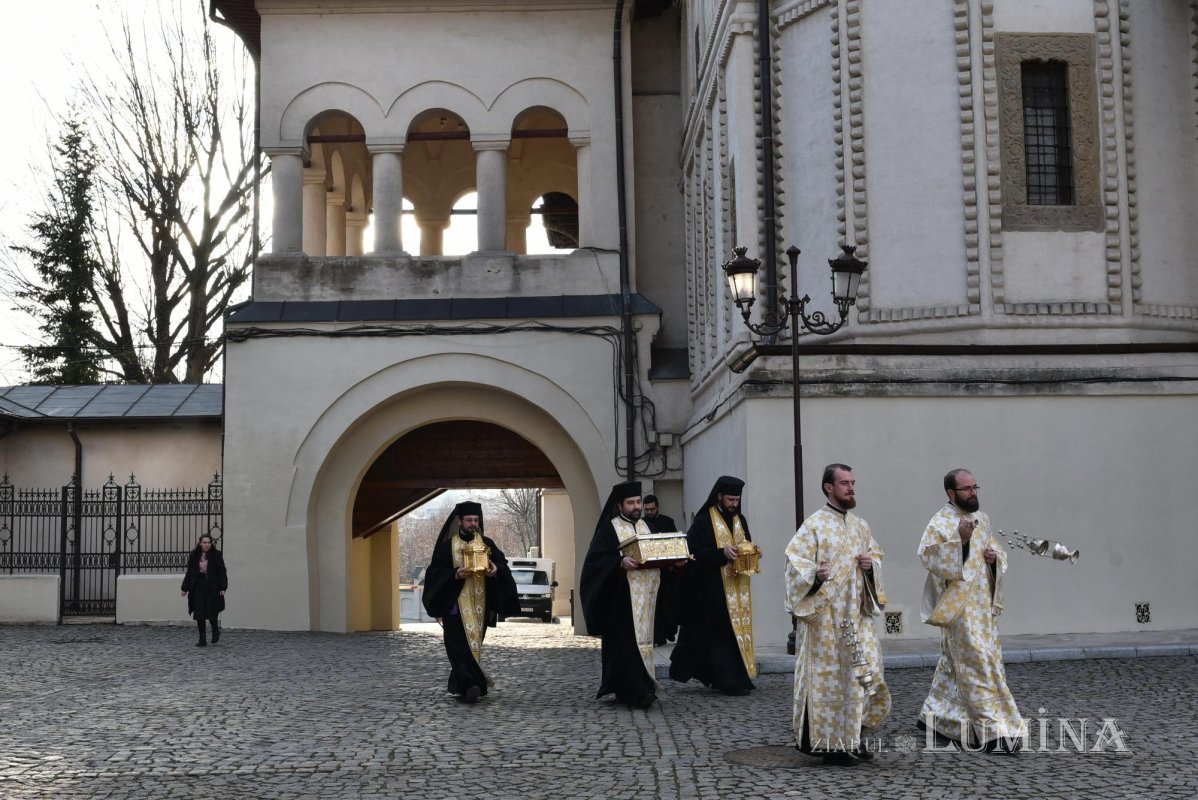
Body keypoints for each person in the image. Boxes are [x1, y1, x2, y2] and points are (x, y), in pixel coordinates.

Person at [784, 464, 890, 766]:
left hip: (857, 616)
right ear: (829, 487)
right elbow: (794, 564)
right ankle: (832, 745)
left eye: (853, 482)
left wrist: (872, 566)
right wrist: (814, 575)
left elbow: (877, 555)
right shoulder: (813, 526)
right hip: (825, 620)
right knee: (833, 680)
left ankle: (854, 738)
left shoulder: (861, 525)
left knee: (864, 675)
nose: (851, 488)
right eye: (845, 483)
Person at [917, 469, 1024, 752]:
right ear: (951, 494)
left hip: (982, 608)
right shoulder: (940, 523)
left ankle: (936, 718)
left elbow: (997, 554)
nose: (973, 493)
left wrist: (992, 560)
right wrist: (961, 541)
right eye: (966, 489)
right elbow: (928, 558)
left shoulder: (982, 519)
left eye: (975, 487)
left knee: (959, 664)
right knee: (976, 664)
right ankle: (995, 733)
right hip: (959, 608)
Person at [580, 481, 683, 709]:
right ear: (620, 505)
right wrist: (619, 562)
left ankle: (643, 687)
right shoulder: (609, 529)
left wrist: (674, 562)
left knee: (644, 644)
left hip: (646, 598)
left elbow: (657, 554)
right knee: (625, 646)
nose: (636, 507)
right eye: (631, 503)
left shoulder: (646, 527)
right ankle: (633, 691)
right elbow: (595, 562)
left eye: (638, 502)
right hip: (621, 601)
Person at [421, 501, 518, 704]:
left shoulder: (487, 545)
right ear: (459, 521)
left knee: (473, 645)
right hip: (455, 606)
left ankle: (463, 685)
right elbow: (434, 574)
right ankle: (471, 685)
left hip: (480, 607)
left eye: (476, 520)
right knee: (457, 646)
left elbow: (502, 565)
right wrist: (455, 574)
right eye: (469, 520)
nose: (473, 524)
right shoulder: (447, 547)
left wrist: (495, 570)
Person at [668, 476, 757, 695]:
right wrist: (721, 554)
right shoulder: (704, 520)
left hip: (738, 588)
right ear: (719, 496)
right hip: (712, 589)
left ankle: (738, 677)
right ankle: (726, 681)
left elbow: (745, 541)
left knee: (735, 634)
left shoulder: (740, 519)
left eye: (736, 500)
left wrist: (750, 551)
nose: (734, 504)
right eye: (730, 499)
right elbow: (693, 551)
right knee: (720, 635)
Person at [643, 493, 681, 645]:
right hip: (649, 572)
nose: (649, 513)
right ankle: (655, 637)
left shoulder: (667, 522)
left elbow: (675, 543)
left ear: (657, 507)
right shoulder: (641, 524)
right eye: (646, 510)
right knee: (652, 605)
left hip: (666, 572)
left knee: (666, 604)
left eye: (651, 509)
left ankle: (667, 632)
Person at [181, 534, 228, 648]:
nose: (207, 545)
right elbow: (190, 573)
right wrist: (184, 588)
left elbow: (222, 572)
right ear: (200, 543)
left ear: (211, 543)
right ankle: (202, 639)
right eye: (204, 542)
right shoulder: (194, 555)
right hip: (198, 585)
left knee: (212, 611)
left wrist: (223, 588)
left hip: (212, 586)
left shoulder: (216, 555)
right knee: (199, 612)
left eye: (209, 542)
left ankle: (215, 631)